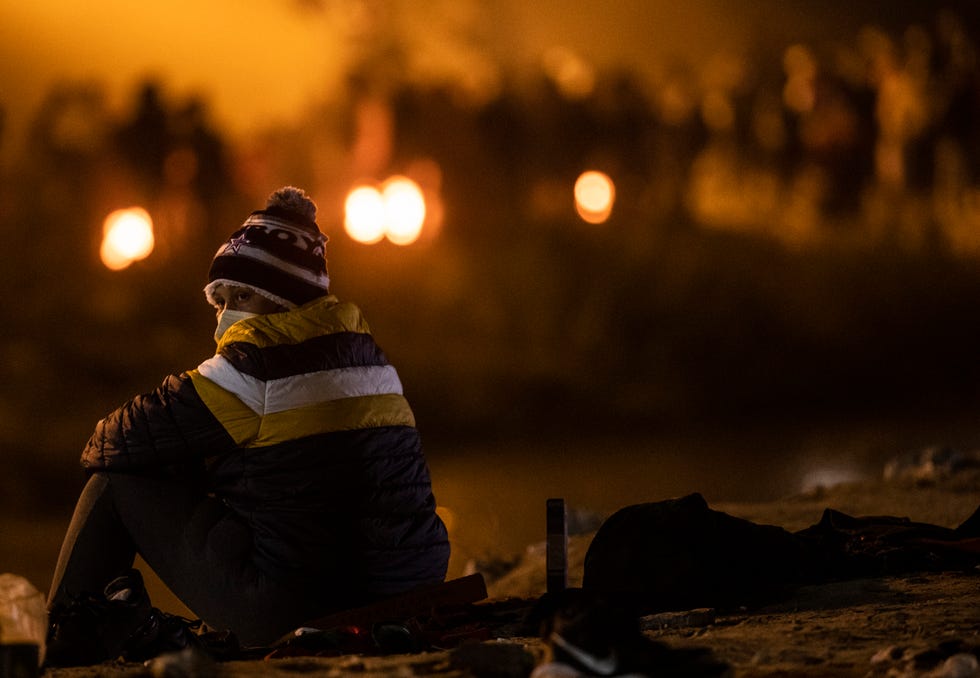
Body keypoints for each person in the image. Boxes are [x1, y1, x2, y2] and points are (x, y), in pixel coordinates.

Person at [46, 186, 450, 662]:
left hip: (300, 609)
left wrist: (188, 465)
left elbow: (109, 442)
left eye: (242, 295)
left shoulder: (252, 367)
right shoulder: (370, 360)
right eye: (220, 299)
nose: (226, 313)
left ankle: (55, 645)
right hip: (411, 592)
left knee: (114, 482)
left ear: (282, 299)